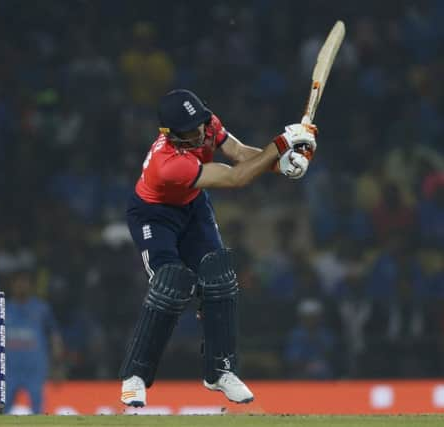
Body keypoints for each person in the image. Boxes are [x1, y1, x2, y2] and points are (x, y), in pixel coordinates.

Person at [119, 89, 317, 407]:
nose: (199, 132)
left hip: (194, 206)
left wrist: (283, 164)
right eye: (190, 129)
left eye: (200, 123)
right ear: (169, 134)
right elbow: (236, 178)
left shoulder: (207, 123)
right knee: (170, 284)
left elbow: (240, 154)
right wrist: (280, 145)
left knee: (219, 277)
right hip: (155, 217)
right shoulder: (167, 163)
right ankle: (135, 377)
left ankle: (220, 371)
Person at [5, 270, 63, 414]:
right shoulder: (4, 308)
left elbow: (54, 335)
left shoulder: (41, 308)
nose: (21, 286)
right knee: (1, 409)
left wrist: (57, 365)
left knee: (38, 410)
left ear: (30, 286)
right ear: (12, 285)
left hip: (35, 368)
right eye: (18, 282)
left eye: (24, 282)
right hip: (9, 368)